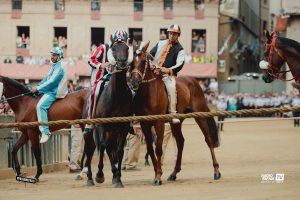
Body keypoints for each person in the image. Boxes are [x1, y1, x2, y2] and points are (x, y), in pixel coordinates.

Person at [83, 29, 129, 134]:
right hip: (100, 79)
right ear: (113, 42)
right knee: (95, 93)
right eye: (117, 43)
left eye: (122, 43)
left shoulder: (125, 50)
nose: (119, 46)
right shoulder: (103, 48)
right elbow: (91, 59)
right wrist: (101, 65)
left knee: (129, 92)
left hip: (116, 80)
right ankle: (89, 121)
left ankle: (129, 122)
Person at [30, 47, 68, 143]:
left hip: (56, 92)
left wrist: (38, 88)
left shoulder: (60, 67)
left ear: (59, 56)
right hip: (51, 90)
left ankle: (45, 132)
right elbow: (47, 78)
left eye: (54, 55)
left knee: (40, 106)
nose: (52, 57)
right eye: (52, 55)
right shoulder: (54, 66)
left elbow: (52, 82)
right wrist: (37, 86)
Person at [149, 24, 185, 123]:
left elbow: (180, 64)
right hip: (154, 73)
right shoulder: (160, 43)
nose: (172, 35)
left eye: (174, 34)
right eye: (170, 33)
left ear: (178, 35)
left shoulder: (180, 50)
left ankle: (173, 114)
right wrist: (149, 62)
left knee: (171, 88)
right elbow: (150, 54)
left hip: (167, 76)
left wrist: (168, 70)